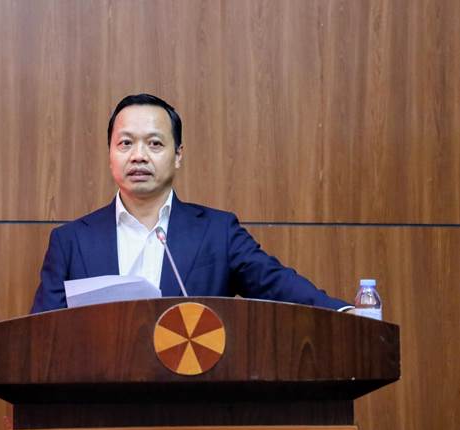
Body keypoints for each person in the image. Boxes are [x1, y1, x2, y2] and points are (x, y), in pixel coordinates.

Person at [30, 94, 352, 313]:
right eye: (126, 143)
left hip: (191, 391)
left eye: (154, 143)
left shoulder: (217, 232)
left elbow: (275, 283)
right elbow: (41, 337)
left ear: (178, 155)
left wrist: (343, 312)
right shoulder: (71, 241)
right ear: (110, 154)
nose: (139, 155)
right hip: (98, 394)